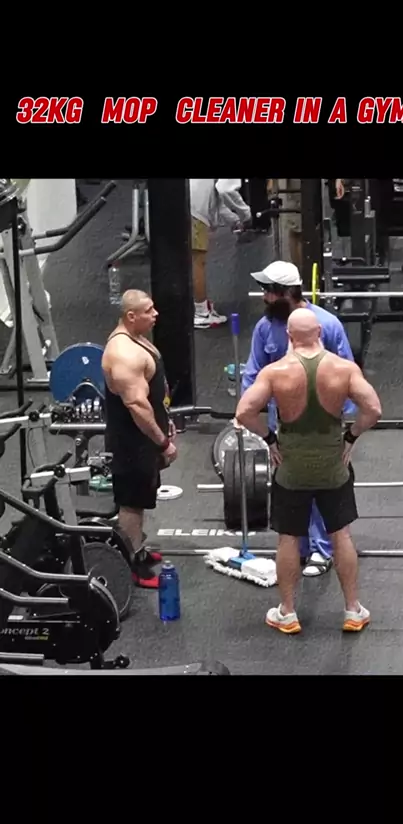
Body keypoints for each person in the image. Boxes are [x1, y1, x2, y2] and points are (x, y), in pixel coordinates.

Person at [235, 308, 382, 635]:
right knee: (341, 534)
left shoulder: (275, 372)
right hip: (333, 464)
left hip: (290, 466)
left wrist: (269, 438)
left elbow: (244, 411)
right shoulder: (344, 369)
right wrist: (351, 436)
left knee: (289, 537)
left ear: (289, 336)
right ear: (320, 333)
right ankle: (353, 610)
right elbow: (373, 409)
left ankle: (287, 613)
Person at [241, 260, 357, 577]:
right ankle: (300, 549)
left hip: (324, 426)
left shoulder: (327, 325)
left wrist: (347, 429)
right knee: (291, 489)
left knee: (321, 487)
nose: (264, 297)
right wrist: (251, 417)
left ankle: (322, 549)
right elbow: (253, 374)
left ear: (286, 293)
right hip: (283, 428)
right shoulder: (265, 327)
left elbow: (348, 373)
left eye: (268, 291)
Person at [102, 289, 177, 589]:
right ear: (131, 316)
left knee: (142, 497)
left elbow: (154, 396)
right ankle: (130, 565)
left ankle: (137, 549)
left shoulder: (137, 339)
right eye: (148, 310)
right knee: (131, 503)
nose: (155, 314)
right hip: (131, 442)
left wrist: (167, 422)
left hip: (143, 438)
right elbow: (137, 405)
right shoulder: (123, 353)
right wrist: (162, 442)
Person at [190, 179, 252, 329]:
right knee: (197, 261)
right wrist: (246, 214)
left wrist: (236, 220)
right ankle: (201, 313)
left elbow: (219, 201)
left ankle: (194, 306)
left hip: (184, 201)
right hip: (195, 210)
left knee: (188, 259)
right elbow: (226, 190)